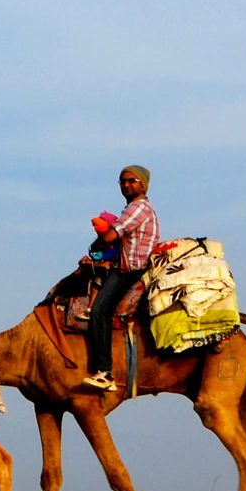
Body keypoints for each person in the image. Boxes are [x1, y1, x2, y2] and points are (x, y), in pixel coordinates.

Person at [82, 165, 160, 391]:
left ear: (143, 184)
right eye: (123, 182)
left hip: (131, 270)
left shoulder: (138, 209)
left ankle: (104, 372)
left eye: (131, 180)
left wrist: (99, 242)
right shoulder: (136, 209)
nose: (127, 185)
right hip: (125, 266)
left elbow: (110, 235)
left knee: (99, 311)